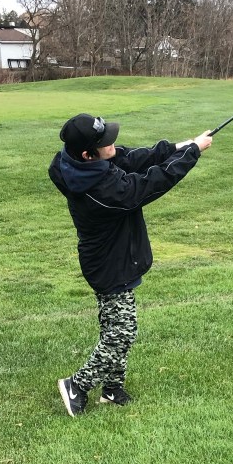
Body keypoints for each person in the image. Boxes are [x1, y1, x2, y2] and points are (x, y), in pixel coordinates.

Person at [49, 113, 213, 416]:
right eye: (105, 142)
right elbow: (150, 183)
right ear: (87, 154)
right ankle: (77, 385)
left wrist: (181, 145)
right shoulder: (102, 189)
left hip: (114, 256)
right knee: (122, 331)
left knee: (115, 327)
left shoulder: (79, 164)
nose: (112, 144)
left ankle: (112, 389)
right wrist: (192, 153)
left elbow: (132, 158)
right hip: (110, 264)